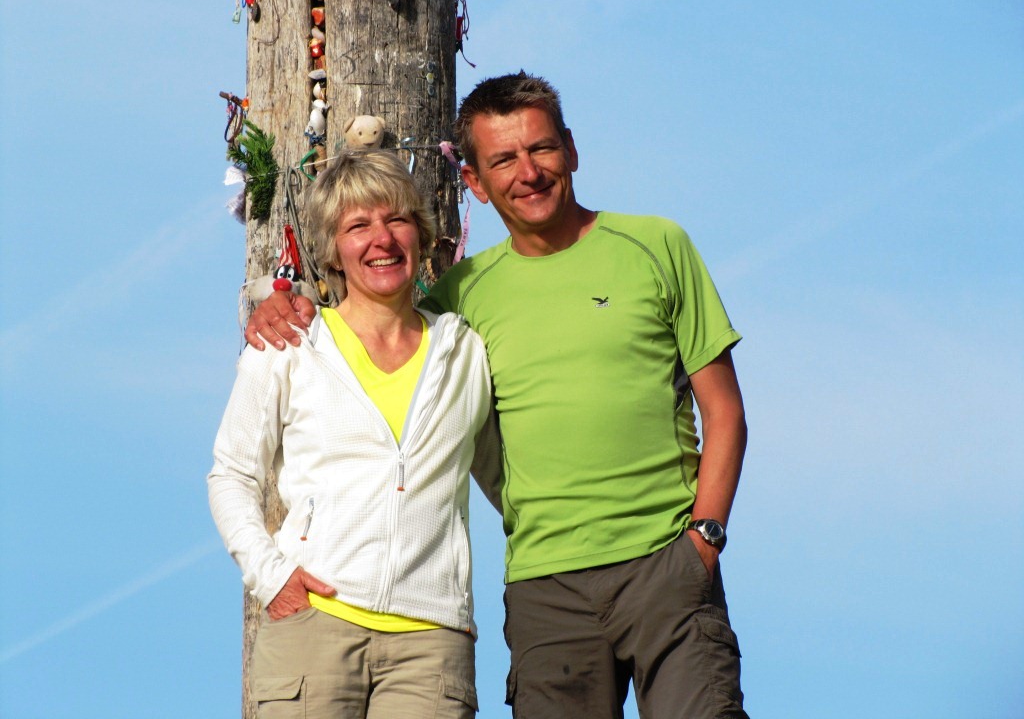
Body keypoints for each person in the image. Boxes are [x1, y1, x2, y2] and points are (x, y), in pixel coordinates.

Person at [246, 72, 749, 719]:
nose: (528, 172)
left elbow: (725, 411)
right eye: (504, 159)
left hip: (668, 564)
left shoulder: (656, 246)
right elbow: (372, 325)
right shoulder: (460, 299)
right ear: (476, 183)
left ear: (571, 150)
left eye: (541, 148)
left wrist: (704, 539)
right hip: (545, 588)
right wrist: (286, 304)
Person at [209, 150, 501, 719]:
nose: (381, 240)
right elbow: (232, 474)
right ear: (333, 250)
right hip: (314, 627)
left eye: (397, 219)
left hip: (431, 643)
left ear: (421, 234)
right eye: (358, 226)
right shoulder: (291, 343)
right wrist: (273, 578)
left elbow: (503, 475)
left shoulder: (466, 349)